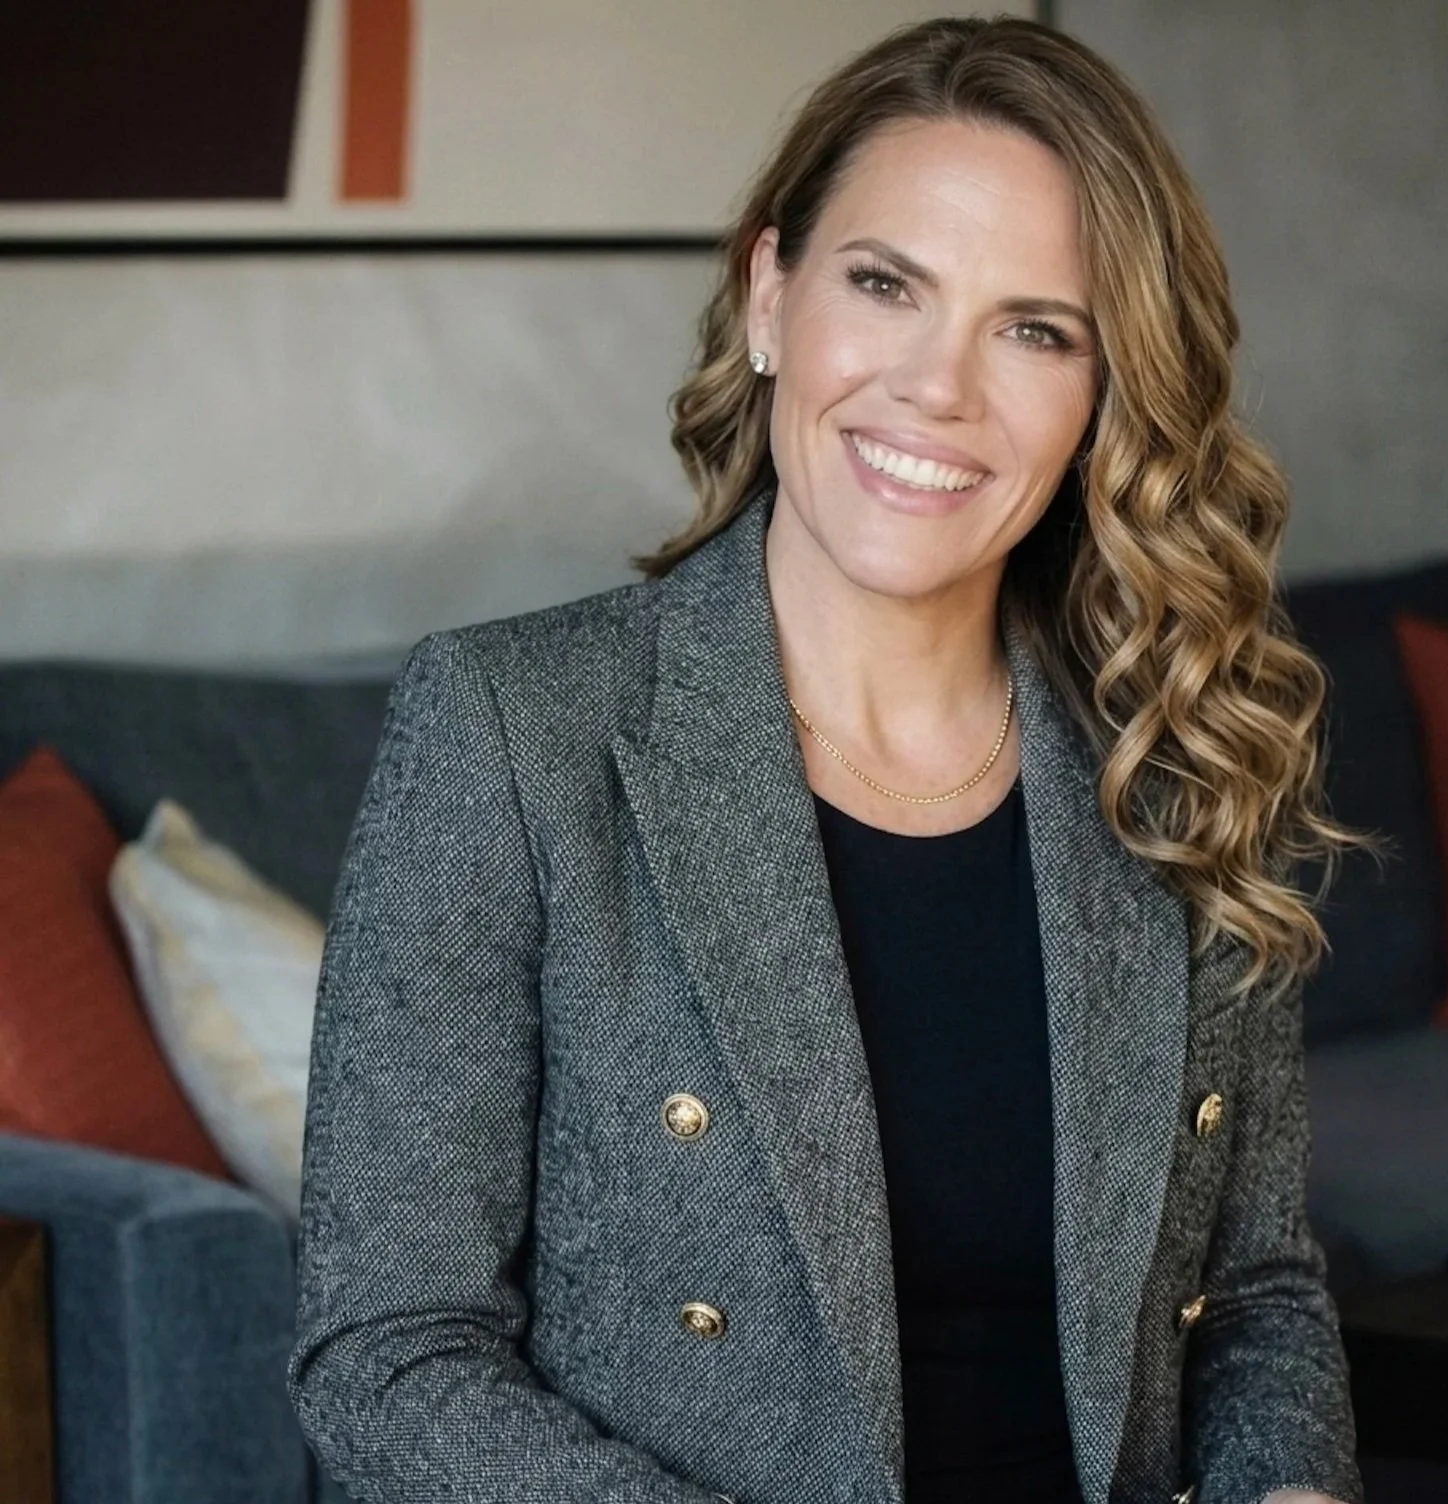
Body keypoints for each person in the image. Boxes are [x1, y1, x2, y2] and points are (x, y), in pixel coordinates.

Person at [286, 15, 1368, 1504]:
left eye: (1036, 329)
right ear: (772, 296)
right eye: (886, 286)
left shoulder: (1170, 759)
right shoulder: (511, 728)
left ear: (1104, 396)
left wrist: (1288, 1490)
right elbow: (391, 1351)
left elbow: (1251, 1297)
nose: (940, 387)